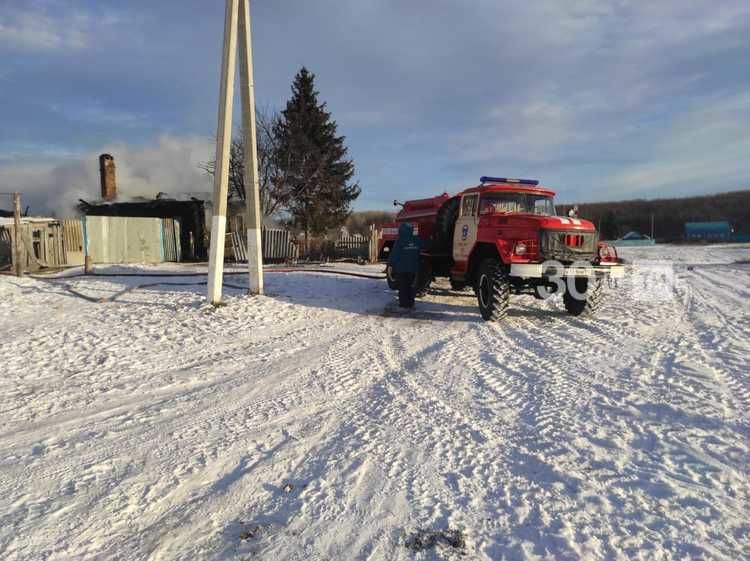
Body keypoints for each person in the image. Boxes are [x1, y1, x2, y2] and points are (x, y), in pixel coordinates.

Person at [388, 223, 424, 309]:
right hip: (413, 269)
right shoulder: (417, 240)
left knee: (403, 287)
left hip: (401, 269)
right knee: (411, 286)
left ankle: (403, 304)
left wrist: (391, 265)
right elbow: (425, 245)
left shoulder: (399, 241)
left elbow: (395, 255)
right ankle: (411, 303)